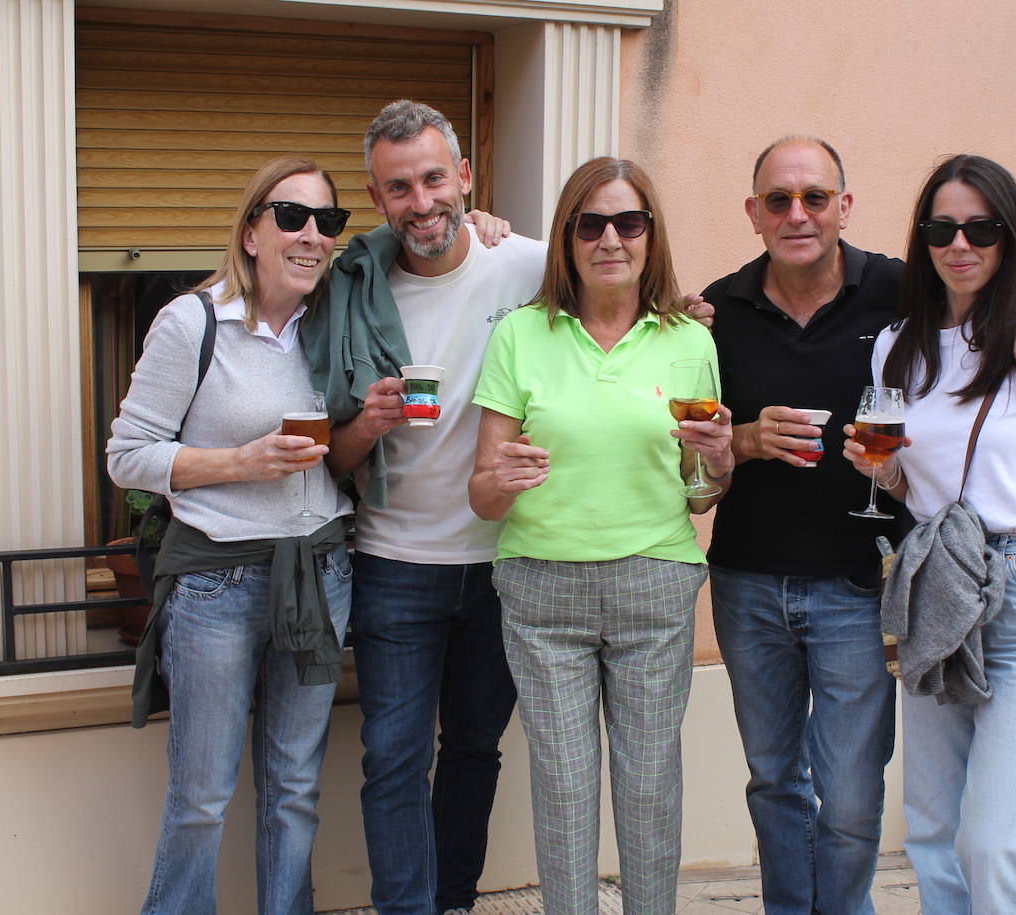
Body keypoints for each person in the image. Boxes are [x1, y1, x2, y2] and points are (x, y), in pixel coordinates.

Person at [700, 135, 1016, 914]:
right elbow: (696, 442)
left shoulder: (901, 290)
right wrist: (744, 438)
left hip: (857, 585)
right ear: (753, 213)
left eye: (815, 197)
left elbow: (996, 287)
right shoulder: (718, 310)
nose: (798, 214)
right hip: (748, 582)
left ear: (846, 204)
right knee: (775, 779)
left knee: (847, 793)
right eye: (779, 200)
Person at [845, 153, 1016, 913]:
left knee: (995, 840)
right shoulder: (896, 345)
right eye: (942, 227)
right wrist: (884, 471)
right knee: (934, 830)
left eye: (981, 227)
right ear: (922, 237)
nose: (959, 244)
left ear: (1008, 238)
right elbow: (910, 484)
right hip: (939, 584)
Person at [468, 156, 734, 914]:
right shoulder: (521, 335)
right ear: (567, 237)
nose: (610, 238)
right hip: (542, 588)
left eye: (629, 222)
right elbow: (482, 493)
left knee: (651, 783)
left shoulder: (690, 340)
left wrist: (716, 463)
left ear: (652, 235)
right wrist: (505, 477)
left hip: (655, 581)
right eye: (592, 223)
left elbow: (701, 491)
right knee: (564, 784)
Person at [300, 100, 543, 915]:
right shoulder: (352, 288)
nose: (422, 201)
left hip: (506, 561)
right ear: (376, 198)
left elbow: (629, 295)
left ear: (466, 177)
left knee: (475, 749)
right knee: (394, 759)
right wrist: (364, 424)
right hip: (396, 562)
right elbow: (332, 457)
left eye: (436, 177)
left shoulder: (530, 266)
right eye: (399, 187)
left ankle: (454, 900)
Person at [107, 156, 356, 915]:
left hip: (318, 573)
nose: (311, 235)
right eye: (291, 216)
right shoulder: (194, 322)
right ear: (251, 230)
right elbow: (127, 454)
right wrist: (240, 462)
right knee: (203, 798)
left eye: (328, 221)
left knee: (294, 790)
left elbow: (418, 249)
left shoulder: (335, 320)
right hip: (217, 582)